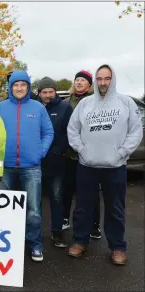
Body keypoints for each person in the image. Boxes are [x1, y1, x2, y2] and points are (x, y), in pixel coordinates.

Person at [66, 64, 143, 265]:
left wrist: (122, 152)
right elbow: (72, 130)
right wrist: (82, 150)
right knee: (83, 207)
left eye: (107, 79)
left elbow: (135, 131)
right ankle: (80, 241)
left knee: (115, 209)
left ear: (113, 79)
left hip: (115, 167)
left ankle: (118, 247)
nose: (103, 83)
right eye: (99, 79)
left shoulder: (125, 103)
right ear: (95, 81)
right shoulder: (84, 104)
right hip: (87, 166)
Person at [0, 70, 54, 262]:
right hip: (5, 167)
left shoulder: (38, 108)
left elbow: (48, 132)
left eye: (23, 85)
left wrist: (40, 152)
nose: (19, 88)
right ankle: (3, 243)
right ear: (10, 87)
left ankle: (35, 244)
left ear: (28, 87)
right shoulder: (1, 108)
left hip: (32, 168)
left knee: (34, 210)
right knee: (3, 208)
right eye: (15, 85)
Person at [62, 70, 102, 239]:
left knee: (90, 191)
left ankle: (94, 225)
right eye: (77, 80)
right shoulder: (65, 102)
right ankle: (64, 218)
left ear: (89, 84)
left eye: (83, 80)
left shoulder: (97, 101)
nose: (79, 82)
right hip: (69, 155)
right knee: (66, 189)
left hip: (89, 156)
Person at [37, 77, 73, 248]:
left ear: (55, 92)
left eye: (51, 91)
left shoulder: (65, 107)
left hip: (55, 162)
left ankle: (57, 232)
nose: (48, 95)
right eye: (44, 92)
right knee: (34, 200)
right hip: (35, 162)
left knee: (56, 198)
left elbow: (69, 132)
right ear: (39, 93)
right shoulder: (34, 107)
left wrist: (57, 150)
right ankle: (33, 233)